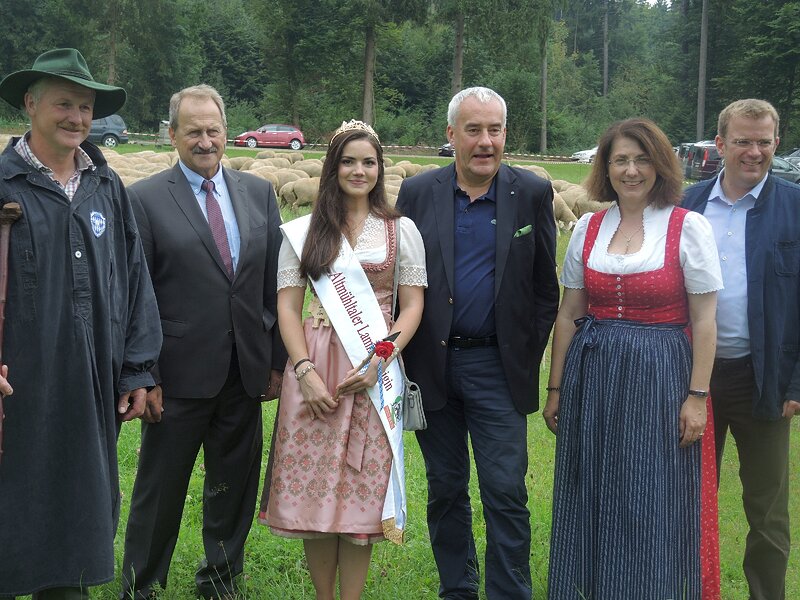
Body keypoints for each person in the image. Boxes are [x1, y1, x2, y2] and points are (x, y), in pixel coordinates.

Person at [0, 48, 162, 599]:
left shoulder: (106, 187)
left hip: (90, 383)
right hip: (14, 387)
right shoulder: (4, 184)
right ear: (31, 103)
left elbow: (135, 276)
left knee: (77, 515)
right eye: (64, 103)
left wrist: (139, 367)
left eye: (86, 107)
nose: (76, 117)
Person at [543, 118, 723, 599]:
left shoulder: (689, 228)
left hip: (661, 378)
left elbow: (705, 321)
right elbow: (569, 313)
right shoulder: (588, 227)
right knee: (595, 489)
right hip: (594, 376)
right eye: (620, 159)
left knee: (649, 494)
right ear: (606, 167)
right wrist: (556, 389)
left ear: (660, 164)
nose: (631, 170)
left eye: (642, 159)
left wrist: (697, 397)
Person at [120, 84, 286, 599]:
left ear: (225, 130)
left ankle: (220, 579)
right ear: (173, 134)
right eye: (193, 131)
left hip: (245, 371)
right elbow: (135, 294)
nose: (206, 140)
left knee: (233, 488)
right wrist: (145, 373)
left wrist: (276, 360)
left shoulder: (257, 192)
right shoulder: (143, 199)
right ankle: (141, 584)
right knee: (160, 491)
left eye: (214, 130)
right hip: (178, 376)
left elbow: (275, 285)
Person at [395, 87, 559, 599]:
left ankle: (509, 593)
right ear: (451, 135)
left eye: (495, 130)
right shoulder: (418, 193)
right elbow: (399, 279)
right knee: (445, 489)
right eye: (473, 130)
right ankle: (458, 589)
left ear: (505, 133)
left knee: (505, 490)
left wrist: (521, 356)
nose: (485, 142)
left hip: (497, 367)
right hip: (432, 367)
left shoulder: (531, 192)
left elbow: (543, 291)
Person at [258, 119, 427, 600]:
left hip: (371, 367)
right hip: (315, 369)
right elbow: (287, 306)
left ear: (380, 168)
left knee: (360, 495)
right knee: (316, 497)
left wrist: (382, 357)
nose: (359, 170)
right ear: (333, 168)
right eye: (348, 161)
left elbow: (412, 304)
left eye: (368, 162)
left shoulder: (400, 229)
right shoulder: (305, 230)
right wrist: (304, 370)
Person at [682, 99, 800, 600]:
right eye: (743, 141)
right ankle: (687, 589)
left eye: (764, 141)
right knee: (687, 500)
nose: (754, 151)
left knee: (768, 510)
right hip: (691, 379)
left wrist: (796, 382)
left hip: (765, 379)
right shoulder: (688, 205)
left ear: (776, 142)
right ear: (721, 143)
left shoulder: (795, 207)